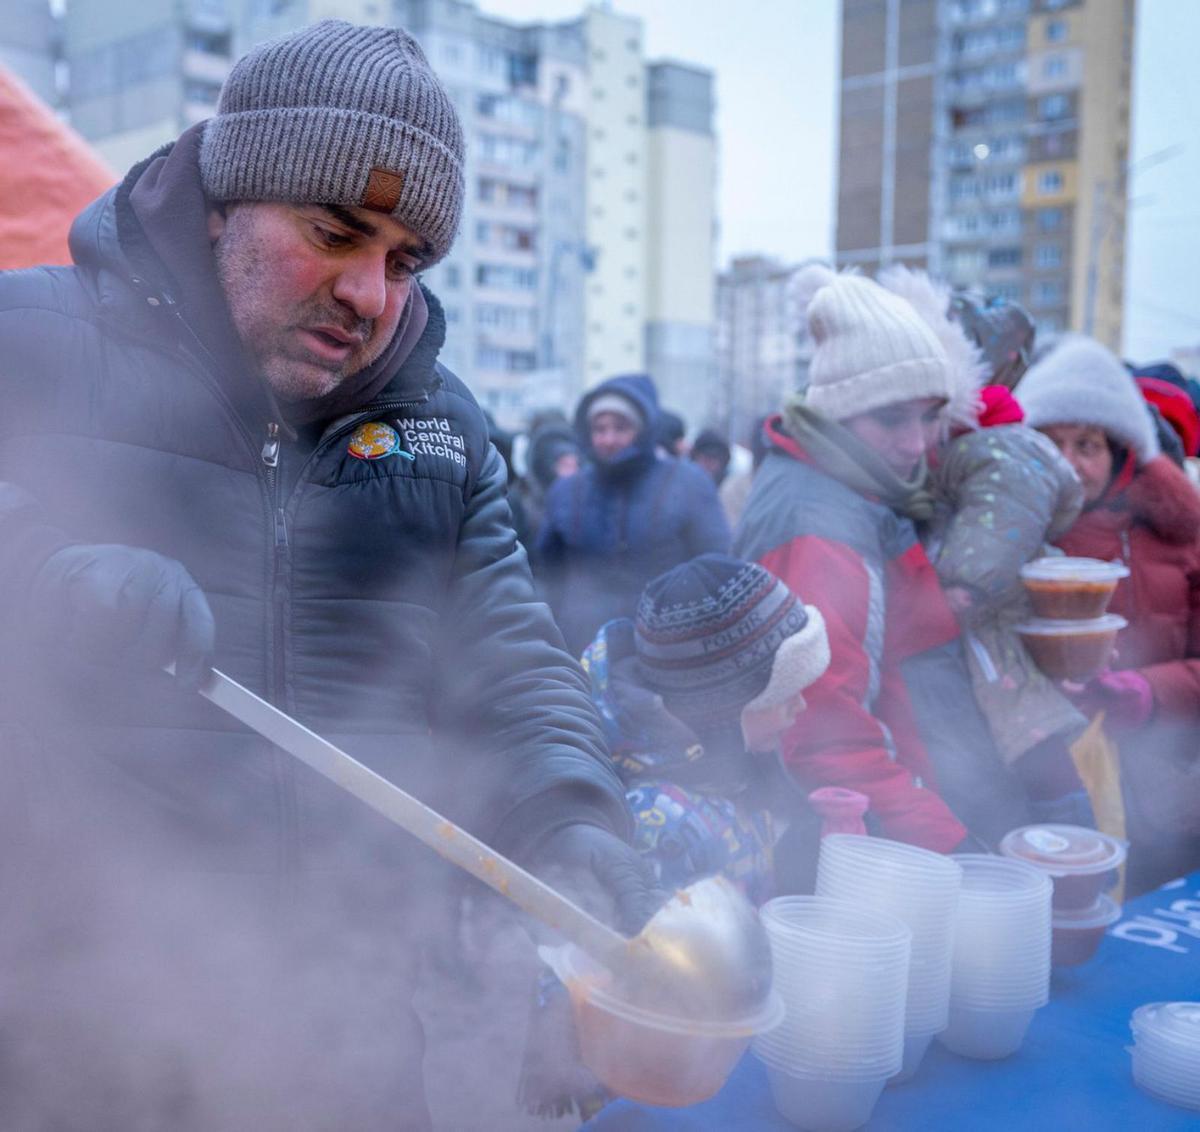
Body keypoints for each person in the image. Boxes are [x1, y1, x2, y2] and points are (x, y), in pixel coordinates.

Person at [0, 21, 654, 1130]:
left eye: (404, 261)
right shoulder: (36, 339)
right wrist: (38, 573)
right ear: (223, 208)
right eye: (336, 232)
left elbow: (511, 660)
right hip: (80, 1029)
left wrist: (571, 811)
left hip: (350, 1024)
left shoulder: (436, 433)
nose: (369, 294)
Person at [520, 553, 831, 1120]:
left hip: (713, 1038)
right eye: (779, 694)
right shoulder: (655, 815)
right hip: (644, 1065)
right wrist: (558, 1040)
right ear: (721, 709)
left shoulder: (733, 767)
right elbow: (580, 939)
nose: (800, 707)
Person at [735, 268, 1025, 853]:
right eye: (892, 418)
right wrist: (948, 843)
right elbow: (821, 733)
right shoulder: (817, 521)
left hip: (912, 804)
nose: (918, 443)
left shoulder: (857, 493)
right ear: (836, 414)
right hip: (876, 837)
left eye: (929, 416)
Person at [879, 267, 1089, 829]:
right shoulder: (975, 445)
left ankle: (1072, 855)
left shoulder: (997, 445)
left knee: (1034, 756)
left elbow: (1002, 525)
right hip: (982, 650)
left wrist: (956, 589)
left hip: (995, 648)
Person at [1020, 335, 1200, 894]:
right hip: (1048, 786)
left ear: (1120, 451)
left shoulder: (1180, 536)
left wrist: (1149, 690)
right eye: (1050, 442)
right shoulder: (1011, 537)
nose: (1069, 464)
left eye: (1087, 444)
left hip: (1164, 786)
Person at [536, 374, 731, 654]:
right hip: (581, 650)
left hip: (667, 653)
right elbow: (547, 574)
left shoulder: (687, 484)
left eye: (621, 427)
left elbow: (716, 567)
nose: (608, 439)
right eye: (599, 428)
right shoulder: (568, 492)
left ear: (643, 429)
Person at [514, 416, 581, 561]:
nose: (570, 470)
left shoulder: (585, 498)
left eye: (573, 464)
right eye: (563, 464)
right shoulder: (518, 503)